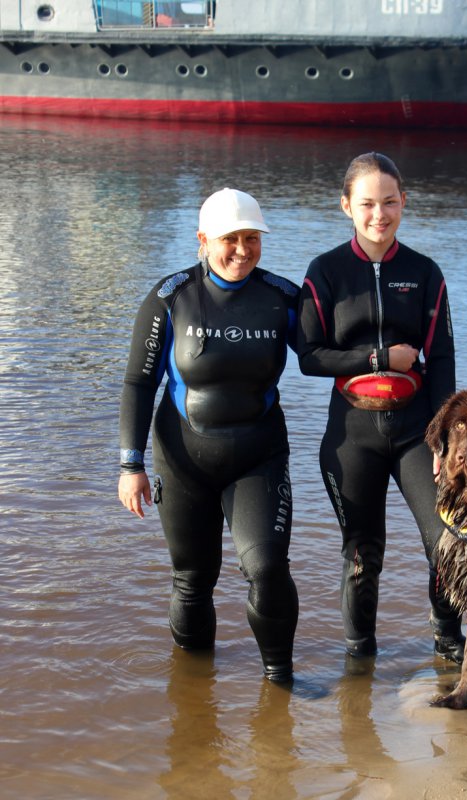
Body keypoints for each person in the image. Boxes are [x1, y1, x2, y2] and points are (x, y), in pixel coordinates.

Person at [118, 188, 299, 683]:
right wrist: (130, 465)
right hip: (183, 460)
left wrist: (383, 360)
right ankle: (194, 695)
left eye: (251, 238)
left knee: (266, 569)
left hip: (257, 457)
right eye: (229, 239)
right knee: (193, 581)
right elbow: (139, 380)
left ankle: (281, 682)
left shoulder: (282, 297)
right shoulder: (170, 297)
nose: (242, 250)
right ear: (202, 239)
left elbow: (327, 353)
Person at [297, 152, 464, 662]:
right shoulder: (325, 272)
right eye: (367, 203)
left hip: (417, 432)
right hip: (352, 434)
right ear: (346, 205)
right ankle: (360, 656)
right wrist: (377, 357)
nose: (379, 214)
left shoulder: (424, 272)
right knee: (362, 553)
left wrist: (446, 440)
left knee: (447, 542)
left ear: (403, 202)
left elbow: (442, 361)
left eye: (389, 202)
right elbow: (309, 356)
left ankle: (447, 637)